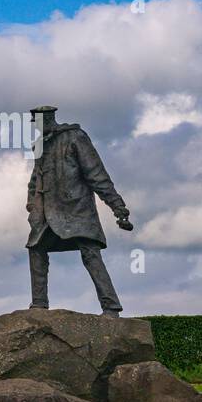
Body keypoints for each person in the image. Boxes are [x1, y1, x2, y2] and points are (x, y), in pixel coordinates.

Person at [25, 106, 133, 316]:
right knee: (36, 249)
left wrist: (117, 206)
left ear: (48, 120)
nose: (36, 128)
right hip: (48, 213)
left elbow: (96, 174)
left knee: (90, 253)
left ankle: (110, 306)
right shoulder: (39, 146)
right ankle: (39, 304)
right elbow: (35, 180)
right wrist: (32, 206)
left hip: (77, 209)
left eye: (38, 123)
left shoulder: (76, 137)